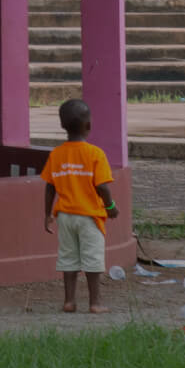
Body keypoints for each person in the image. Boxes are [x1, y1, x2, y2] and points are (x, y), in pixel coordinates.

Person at [43, 99, 119, 314]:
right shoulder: (95, 154)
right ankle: (95, 303)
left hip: (65, 216)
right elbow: (102, 187)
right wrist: (111, 207)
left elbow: (49, 187)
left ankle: (69, 301)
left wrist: (47, 214)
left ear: (62, 125)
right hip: (89, 217)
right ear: (89, 125)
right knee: (93, 258)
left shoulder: (56, 154)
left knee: (68, 258)